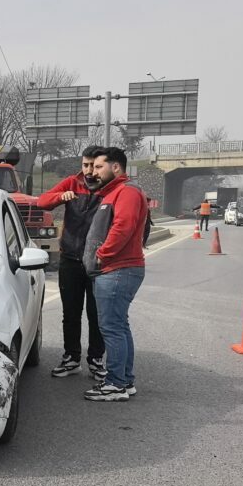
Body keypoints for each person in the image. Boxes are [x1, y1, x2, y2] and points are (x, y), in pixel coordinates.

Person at [82, 147, 149, 402]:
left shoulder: (127, 192)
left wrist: (103, 254)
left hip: (118, 269)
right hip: (116, 268)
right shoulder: (115, 192)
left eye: (99, 167)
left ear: (116, 168)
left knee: (111, 327)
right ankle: (125, 380)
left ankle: (116, 384)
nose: (93, 172)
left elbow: (124, 225)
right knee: (119, 326)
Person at [36, 146, 107, 381]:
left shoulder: (111, 188)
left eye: (94, 166)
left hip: (98, 263)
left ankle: (96, 360)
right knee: (71, 313)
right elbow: (42, 202)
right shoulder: (71, 182)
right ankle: (71, 358)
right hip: (70, 259)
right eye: (85, 165)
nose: (89, 170)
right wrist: (60, 197)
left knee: (96, 315)